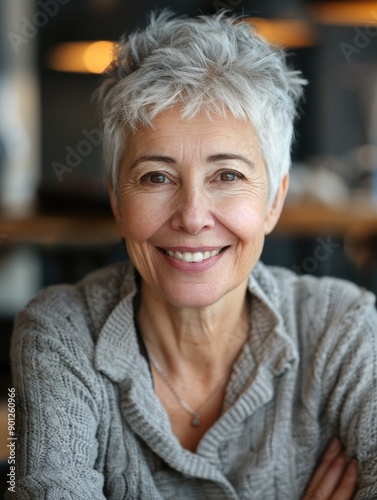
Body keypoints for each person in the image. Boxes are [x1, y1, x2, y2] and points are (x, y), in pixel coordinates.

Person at [8, 10, 376, 499]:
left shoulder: (346, 327)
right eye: (156, 177)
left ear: (274, 200)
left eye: (227, 175)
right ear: (117, 200)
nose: (192, 216)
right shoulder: (58, 333)